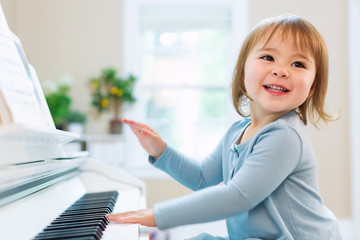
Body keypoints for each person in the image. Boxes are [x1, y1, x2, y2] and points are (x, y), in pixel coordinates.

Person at [106, 14, 342, 239]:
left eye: (298, 63)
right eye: (268, 57)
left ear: (311, 88)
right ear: (242, 74)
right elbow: (201, 178)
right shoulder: (236, 131)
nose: (281, 70)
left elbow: (237, 196)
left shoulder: (286, 136)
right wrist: (160, 151)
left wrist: (156, 215)